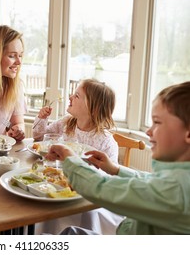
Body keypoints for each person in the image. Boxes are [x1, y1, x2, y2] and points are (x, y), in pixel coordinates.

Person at [47, 81, 190, 235]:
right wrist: (115, 169)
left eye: (157, 122)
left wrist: (70, 159)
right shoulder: (179, 179)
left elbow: (99, 188)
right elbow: (149, 179)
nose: (148, 131)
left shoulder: (176, 189)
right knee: (71, 233)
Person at [32, 79, 122, 234]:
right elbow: (39, 136)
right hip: (57, 184)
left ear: (93, 108)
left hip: (84, 198)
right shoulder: (67, 123)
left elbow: (109, 180)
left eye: (76, 96)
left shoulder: (106, 142)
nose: (70, 97)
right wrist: (42, 118)